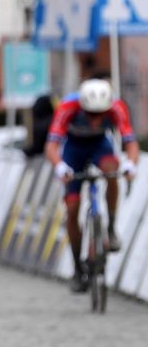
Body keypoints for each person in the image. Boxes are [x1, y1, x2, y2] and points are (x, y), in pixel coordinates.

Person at [44, 79, 138, 293]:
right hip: (73, 150)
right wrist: (60, 166)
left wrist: (131, 164)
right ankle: (78, 268)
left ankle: (111, 229)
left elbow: (130, 142)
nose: (95, 120)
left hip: (99, 146)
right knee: (72, 208)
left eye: (100, 115)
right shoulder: (68, 106)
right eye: (90, 114)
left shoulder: (116, 106)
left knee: (112, 170)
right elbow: (51, 146)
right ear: (82, 106)